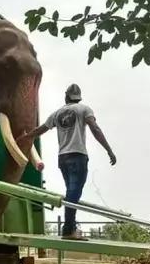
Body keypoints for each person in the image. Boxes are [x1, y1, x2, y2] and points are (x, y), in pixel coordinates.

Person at [19, 84, 116, 240]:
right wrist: (109, 150)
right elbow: (95, 128)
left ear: (66, 96)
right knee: (74, 193)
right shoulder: (84, 109)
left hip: (63, 158)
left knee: (71, 193)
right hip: (78, 156)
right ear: (78, 98)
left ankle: (71, 227)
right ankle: (68, 230)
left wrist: (25, 137)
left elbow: (41, 129)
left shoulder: (57, 114)